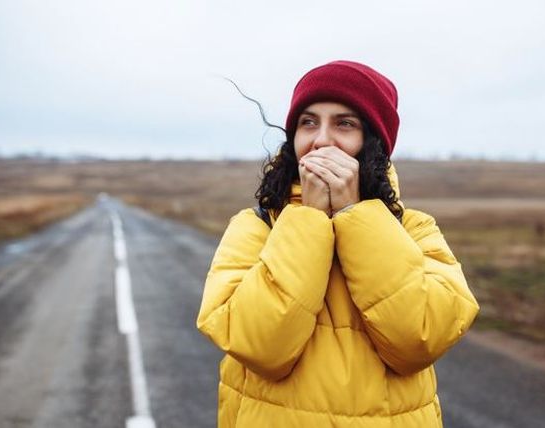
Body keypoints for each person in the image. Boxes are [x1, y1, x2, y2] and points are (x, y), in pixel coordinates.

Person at [196, 60, 480, 427]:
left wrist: (353, 213)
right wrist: (309, 219)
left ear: (374, 144)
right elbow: (259, 346)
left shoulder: (414, 230)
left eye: (344, 124)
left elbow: (419, 340)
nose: (322, 140)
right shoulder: (255, 228)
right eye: (308, 122)